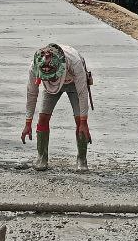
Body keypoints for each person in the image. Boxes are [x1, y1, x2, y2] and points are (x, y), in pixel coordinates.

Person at [21, 43, 94, 172]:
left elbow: (83, 93)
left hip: (73, 84)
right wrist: (28, 122)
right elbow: (32, 94)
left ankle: (82, 159)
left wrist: (84, 122)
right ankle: (42, 157)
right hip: (49, 86)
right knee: (42, 117)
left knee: (80, 121)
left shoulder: (74, 62)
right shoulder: (35, 67)